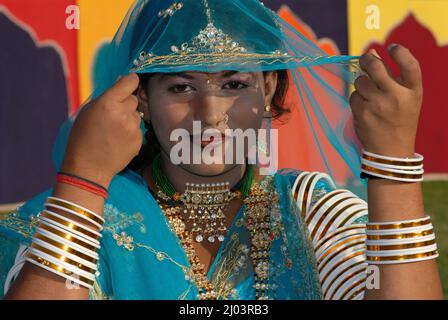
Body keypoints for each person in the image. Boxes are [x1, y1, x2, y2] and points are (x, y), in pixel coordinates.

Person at [0, 0, 443, 300]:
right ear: (141, 101)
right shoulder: (79, 217)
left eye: (234, 84)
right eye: (180, 86)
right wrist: (82, 182)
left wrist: (394, 167)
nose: (210, 114)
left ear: (268, 87)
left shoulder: (309, 209)